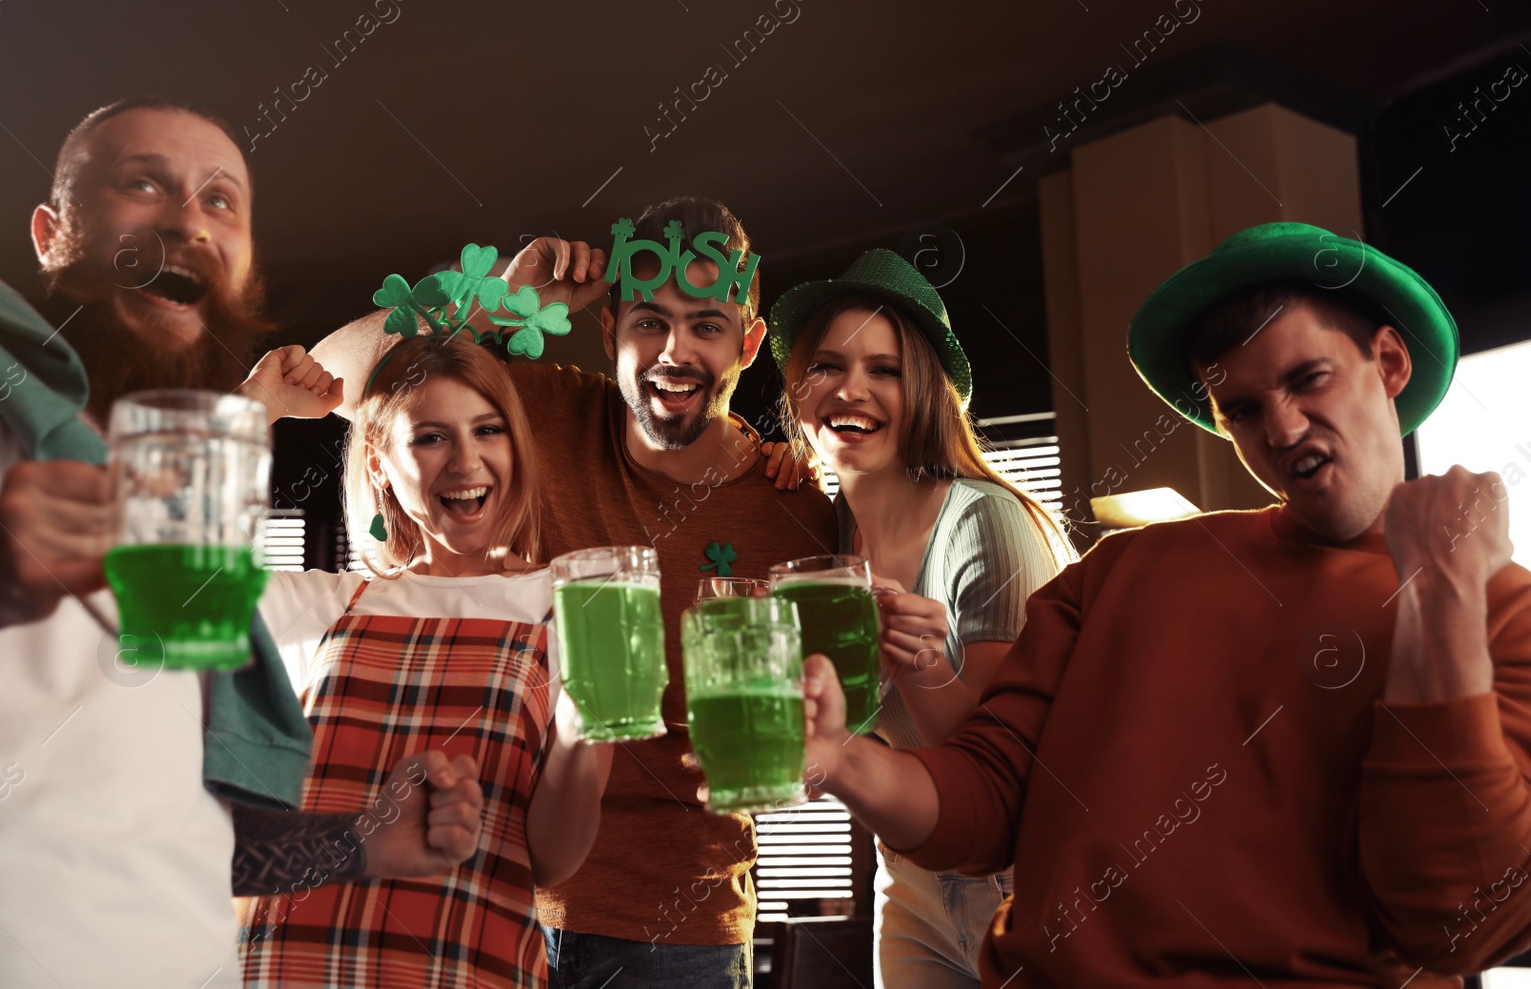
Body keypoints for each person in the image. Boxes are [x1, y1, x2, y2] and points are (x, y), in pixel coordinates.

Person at [800, 222, 1531, 985]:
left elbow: (1456, 922)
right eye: (1242, 408)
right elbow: (987, 801)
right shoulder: (1122, 570)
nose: (1281, 428)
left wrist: (1442, 596)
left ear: (1387, 361)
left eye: (1308, 378)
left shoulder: (1499, 607)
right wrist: (843, 761)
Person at [0, 98, 479, 989]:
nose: (188, 220)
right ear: (52, 231)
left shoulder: (187, 515)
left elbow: (177, 818)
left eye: (222, 202)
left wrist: (359, 842)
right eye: (143, 183)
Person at [311, 197, 836, 988]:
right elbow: (328, 376)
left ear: (749, 342)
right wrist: (489, 296)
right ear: (609, 331)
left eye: (706, 324)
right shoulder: (537, 411)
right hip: (489, 896)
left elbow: (828, 727)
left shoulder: (794, 510)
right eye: (649, 322)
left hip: (675, 929)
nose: (674, 351)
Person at [239, 332, 612, 988]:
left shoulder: (568, 603)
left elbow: (552, 859)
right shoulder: (333, 602)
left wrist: (587, 727)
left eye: (487, 430)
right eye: (431, 437)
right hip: (287, 966)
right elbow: (174, 580)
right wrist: (254, 408)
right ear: (380, 463)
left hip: (466, 965)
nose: (466, 462)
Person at [767, 249, 1074, 987]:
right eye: (829, 367)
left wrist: (926, 663)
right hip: (905, 878)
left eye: (886, 369)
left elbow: (1000, 781)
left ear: (927, 391)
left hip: (1014, 879)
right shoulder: (832, 540)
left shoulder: (984, 522)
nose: (853, 389)